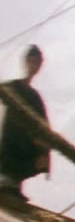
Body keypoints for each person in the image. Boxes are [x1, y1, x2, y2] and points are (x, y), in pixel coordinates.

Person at [0, 45, 50, 201]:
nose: (35, 66)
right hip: (10, 137)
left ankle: (14, 186)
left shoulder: (35, 97)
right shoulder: (12, 87)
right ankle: (5, 183)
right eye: (32, 61)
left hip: (26, 141)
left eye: (38, 63)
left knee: (34, 157)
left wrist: (44, 150)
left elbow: (43, 125)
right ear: (26, 61)